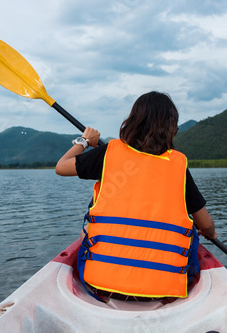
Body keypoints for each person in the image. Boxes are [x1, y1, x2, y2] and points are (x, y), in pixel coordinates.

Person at [56, 91, 217, 301]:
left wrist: (85, 141)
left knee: (88, 228)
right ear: (170, 129)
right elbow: (205, 224)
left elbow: (60, 167)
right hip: (162, 291)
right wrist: (211, 234)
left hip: (102, 286)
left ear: (132, 122)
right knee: (190, 232)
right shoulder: (178, 166)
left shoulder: (108, 153)